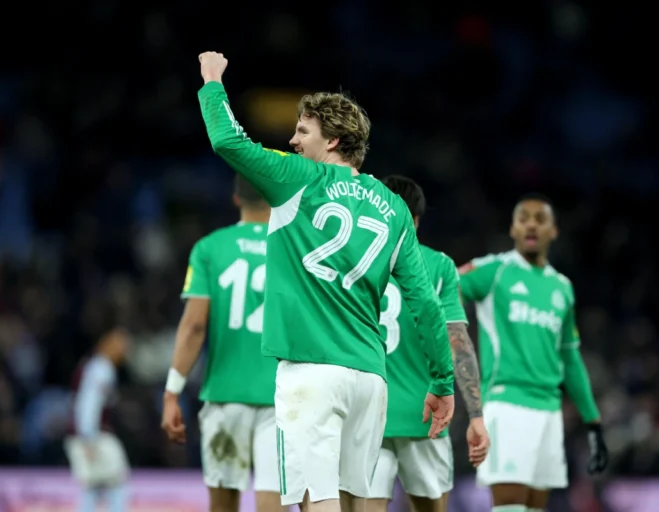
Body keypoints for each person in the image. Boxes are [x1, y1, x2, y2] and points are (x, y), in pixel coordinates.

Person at [189, 51, 455, 512]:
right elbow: (424, 304)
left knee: (317, 502)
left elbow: (227, 141)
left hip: (310, 372)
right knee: (355, 503)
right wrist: (443, 380)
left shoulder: (297, 178)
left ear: (332, 141)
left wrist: (212, 79)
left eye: (303, 131)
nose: (292, 141)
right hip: (371, 379)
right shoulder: (392, 207)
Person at [457, 193, 609, 512]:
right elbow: (443, 286)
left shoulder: (561, 288)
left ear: (553, 231)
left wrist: (593, 422)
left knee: (535, 507)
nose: (530, 224)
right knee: (510, 506)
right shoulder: (494, 271)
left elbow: (570, 359)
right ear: (512, 229)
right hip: (507, 405)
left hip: (550, 412)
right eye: (522, 217)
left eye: (539, 219)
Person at [367, 175, 489, 512]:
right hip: (426, 417)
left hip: (366, 414)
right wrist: (476, 415)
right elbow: (458, 342)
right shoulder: (438, 266)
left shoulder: (353, 262)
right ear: (417, 219)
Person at [161, 175, 283, 512]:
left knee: (223, 504)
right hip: (281, 398)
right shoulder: (292, 248)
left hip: (225, 397)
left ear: (235, 199)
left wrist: (172, 391)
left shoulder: (210, 248)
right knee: (273, 501)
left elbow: (194, 325)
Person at [65, 324, 131, 512]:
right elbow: (89, 403)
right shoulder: (102, 368)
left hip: (83, 433)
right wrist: (88, 438)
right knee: (117, 482)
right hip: (93, 435)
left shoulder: (92, 365)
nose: (124, 351)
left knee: (93, 487)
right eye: (121, 345)